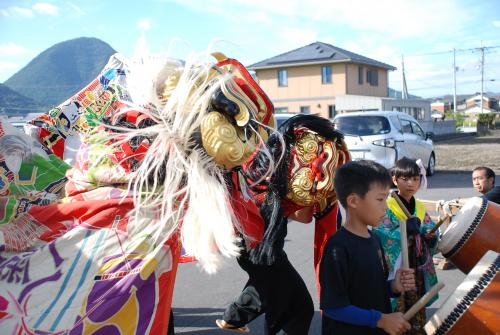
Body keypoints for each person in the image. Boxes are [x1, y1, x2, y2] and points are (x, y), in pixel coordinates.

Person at [217, 114, 349, 334]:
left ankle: (233, 317)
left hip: (263, 248)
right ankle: (234, 316)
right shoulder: (261, 172)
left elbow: (304, 217)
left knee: (275, 295)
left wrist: (318, 199)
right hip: (256, 248)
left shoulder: (283, 174)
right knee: (298, 306)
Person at [320, 160, 415, 335]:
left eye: (386, 198)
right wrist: (381, 319)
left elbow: (371, 289)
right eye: (380, 199)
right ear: (353, 201)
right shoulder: (338, 247)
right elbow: (333, 307)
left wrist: (393, 287)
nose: (385, 207)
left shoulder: (375, 239)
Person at [373, 157, 439, 333]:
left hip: (417, 264)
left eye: (416, 179)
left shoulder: (419, 206)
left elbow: (429, 228)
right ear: (394, 179)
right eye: (406, 179)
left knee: (417, 304)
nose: (411, 183)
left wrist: (431, 237)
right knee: (397, 304)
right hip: (397, 266)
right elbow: (380, 231)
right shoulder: (387, 204)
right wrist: (403, 230)